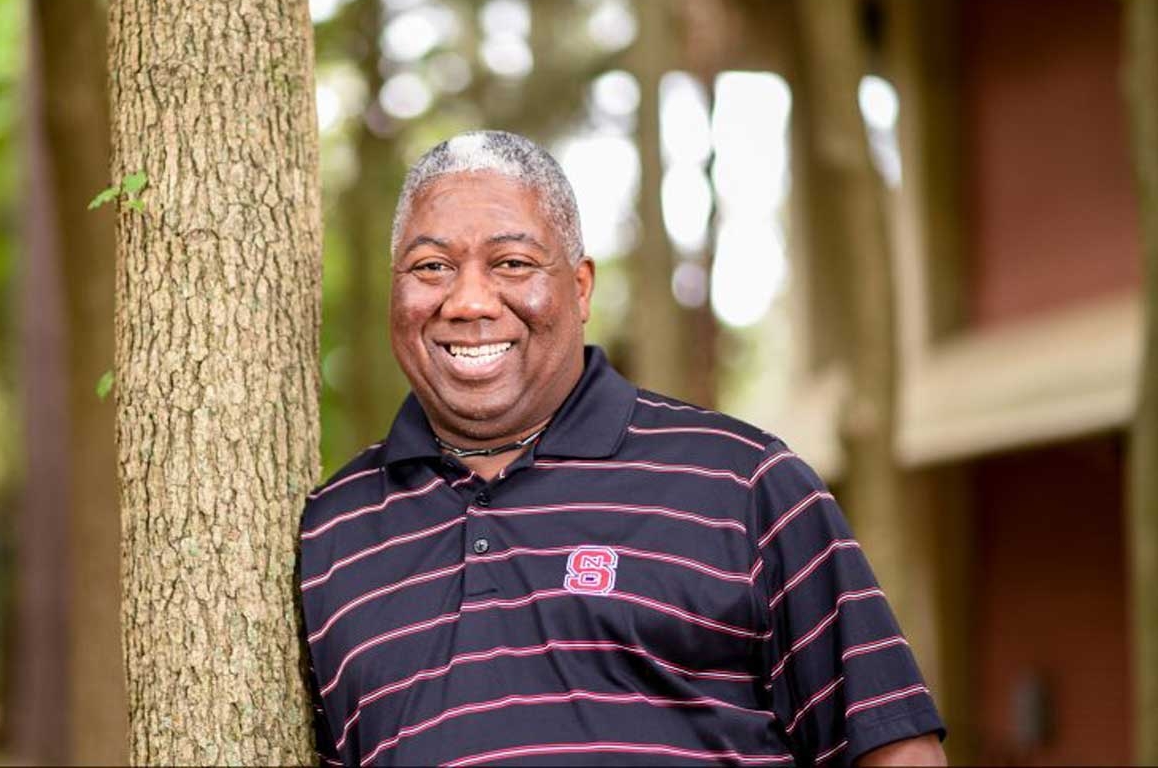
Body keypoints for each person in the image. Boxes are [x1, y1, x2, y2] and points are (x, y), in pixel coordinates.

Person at [298, 130, 947, 766]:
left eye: (512, 263)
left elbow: (894, 748)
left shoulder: (743, 486)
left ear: (579, 288)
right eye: (432, 266)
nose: (468, 301)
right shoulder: (333, 535)